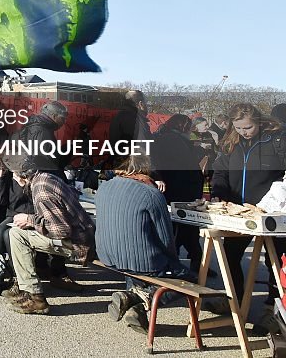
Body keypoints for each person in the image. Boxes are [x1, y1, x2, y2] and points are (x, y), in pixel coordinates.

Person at [96, 155, 194, 333]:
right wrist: (174, 263)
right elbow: (166, 238)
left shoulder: (104, 187)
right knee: (189, 278)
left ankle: (135, 308)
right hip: (137, 261)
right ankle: (138, 299)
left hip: (106, 255)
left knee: (134, 263)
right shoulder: (151, 193)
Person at [210, 103, 286, 313]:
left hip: (270, 211)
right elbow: (220, 171)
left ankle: (275, 306)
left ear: (258, 122)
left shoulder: (277, 140)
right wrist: (219, 193)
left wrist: (273, 201)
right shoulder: (231, 143)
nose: (243, 132)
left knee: (275, 260)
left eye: (248, 128)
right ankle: (235, 299)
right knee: (230, 255)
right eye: (239, 128)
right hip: (238, 211)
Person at [1, 152, 96, 315]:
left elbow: (61, 230)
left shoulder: (41, 191)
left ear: (18, 176)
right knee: (20, 232)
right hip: (84, 235)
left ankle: (35, 296)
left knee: (16, 235)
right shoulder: (46, 177)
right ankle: (32, 286)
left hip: (79, 245)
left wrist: (30, 220)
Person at [151, 114, 205, 272]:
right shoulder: (174, 140)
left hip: (175, 187)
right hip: (181, 188)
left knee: (182, 228)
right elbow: (186, 165)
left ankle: (196, 261)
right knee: (184, 228)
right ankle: (190, 262)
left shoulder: (166, 138)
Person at [17, 101, 69, 174]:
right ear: (54, 116)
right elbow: (44, 163)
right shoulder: (43, 132)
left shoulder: (35, 126)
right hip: (42, 180)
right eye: (62, 119)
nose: (64, 122)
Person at [109, 90, 150, 161]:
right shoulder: (136, 119)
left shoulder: (120, 116)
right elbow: (143, 146)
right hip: (134, 164)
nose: (147, 107)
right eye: (146, 103)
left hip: (122, 162)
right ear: (141, 104)